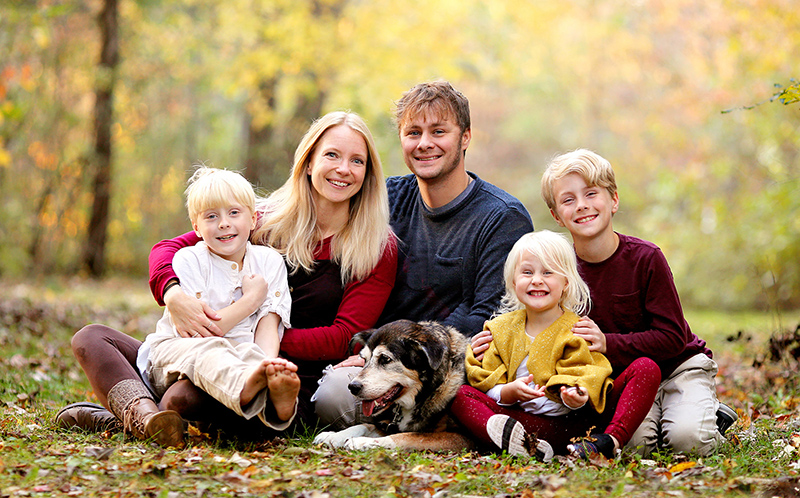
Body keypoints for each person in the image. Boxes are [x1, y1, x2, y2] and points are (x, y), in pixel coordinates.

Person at [57, 111, 397, 442]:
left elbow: (344, 338)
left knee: (182, 397)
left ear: (367, 173)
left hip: (280, 372)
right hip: (205, 350)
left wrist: (243, 338)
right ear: (309, 162)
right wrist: (173, 295)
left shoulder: (375, 248)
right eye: (332, 155)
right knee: (92, 338)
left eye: (357, 161)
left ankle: (126, 417)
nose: (343, 169)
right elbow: (168, 248)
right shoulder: (259, 221)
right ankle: (145, 419)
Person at [474, 148, 735, 456]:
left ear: (613, 200)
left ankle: (710, 417)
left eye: (591, 194)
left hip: (678, 367)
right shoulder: (559, 270)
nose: (582, 206)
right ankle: (677, 415)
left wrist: (607, 343)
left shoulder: (646, 258)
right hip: (626, 381)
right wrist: (492, 339)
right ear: (557, 215)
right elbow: (532, 315)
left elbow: (674, 337)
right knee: (639, 447)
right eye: (568, 200)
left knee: (687, 440)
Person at [312, 80, 534, 430]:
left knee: (332, 398)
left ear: (465, 137)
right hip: (374, 358)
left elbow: (487, 319)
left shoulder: (502, 218)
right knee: (331, 392)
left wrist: (387, 357)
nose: (425, 143)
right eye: (413, 132)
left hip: (450, 368)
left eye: (439, 131)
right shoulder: (386, 199)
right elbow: (303, 216)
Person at [452, 230, 660, 460]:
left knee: (646, 368)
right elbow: (483, 375)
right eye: (527, 272)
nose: (537, 280)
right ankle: (522, 445)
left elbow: (591, 372)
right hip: (525, 424)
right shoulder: (500, 329)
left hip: (578, 427)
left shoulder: (576, 328)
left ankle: (608, 442)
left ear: (565, 283)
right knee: (461, 396)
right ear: (513, 281)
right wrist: (508, 392)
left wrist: (577, 396)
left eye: (548, 272)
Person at [136, 166, 298, 435]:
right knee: (211, 351)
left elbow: (268, 328)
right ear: (196, 228)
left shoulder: (269, 262)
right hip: (179, 353)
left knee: (249, 355)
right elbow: (204, 331)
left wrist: (267, 367)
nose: (224, 223)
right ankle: (252, 393)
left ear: (254, 219)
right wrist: (251, 300)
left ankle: (265, 392)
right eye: (211, 216)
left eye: (234, 213)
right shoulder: (189, 259)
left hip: (240, 357)